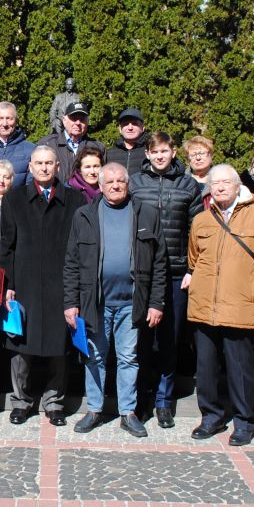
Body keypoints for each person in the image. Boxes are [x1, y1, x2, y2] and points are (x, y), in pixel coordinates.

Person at [64, 163, 167, 437]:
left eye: (121, 180)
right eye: (109, 182)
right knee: (94, 357)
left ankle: (127, 412)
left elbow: (160, 262)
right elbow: (71, 262)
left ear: (128, 183)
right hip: (95, 302)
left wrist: (156, 303)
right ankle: (94, 409)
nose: (116, 185)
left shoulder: (146, 213)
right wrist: (70, 302)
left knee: (128, 358)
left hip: (132, 303)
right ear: (100, 185)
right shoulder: (84, 215)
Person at [186, 164, 254, 446]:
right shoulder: (202, 220)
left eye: (225, 183)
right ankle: (211, 416)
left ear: (238, 185)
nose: (219, 188)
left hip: (241, 306)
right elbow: (194, 259)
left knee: (241, 369)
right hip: (204, 306)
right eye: (214, 184)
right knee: (206, 368)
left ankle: (244, 420)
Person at [0, 146, 84, 426]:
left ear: (58, 166)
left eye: (49, 163)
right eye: (39, 163)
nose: (44, 168)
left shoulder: (74, 200)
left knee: (59, 347)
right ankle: (21, 401)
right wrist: (8, 283)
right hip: (24, 284)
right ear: (31, 166)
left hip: (61, 284)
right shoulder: (14, 199)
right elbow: (7, 246)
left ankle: (54, 402)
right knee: (21, 346)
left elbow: (80, 246)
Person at [128, 132, 201, 429]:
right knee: (142, 340)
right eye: (154, 151)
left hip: (175, 272)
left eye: (164, 151)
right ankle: (141, 397)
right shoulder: (135, 183)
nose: (160, 156)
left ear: (173, 153)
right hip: (142, 272)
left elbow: (197, 230)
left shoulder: (188, 185)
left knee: (169, 340)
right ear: (147, 154)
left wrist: (192, 269)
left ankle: (164, 401)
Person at [36, 101, 106, 183]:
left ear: (87, 122)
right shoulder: (47, 144)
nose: (78, 123)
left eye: (82, 119)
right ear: (64, 120)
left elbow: (103, 179)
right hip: (57, 191)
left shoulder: (97, 147)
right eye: (73, 118)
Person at [106, 108, 150, 176]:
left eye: (134, 124)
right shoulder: (109, 154)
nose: (130, 128)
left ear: (142, 128)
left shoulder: (151, 151)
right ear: (120, 129)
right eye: (125, 124)